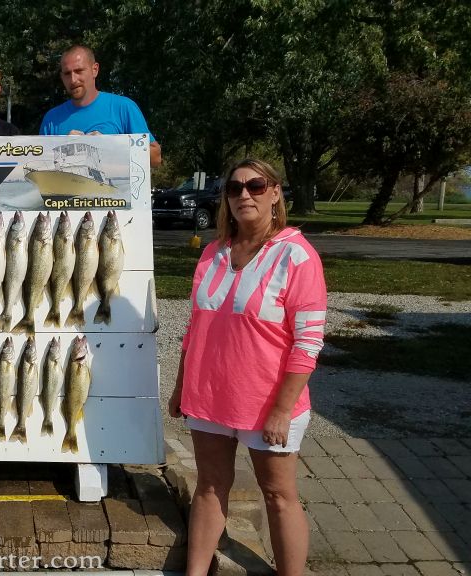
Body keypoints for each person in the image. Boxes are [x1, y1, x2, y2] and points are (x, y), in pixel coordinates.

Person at [169, 158, 326, 576]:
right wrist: (181, 385)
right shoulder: (213, 251)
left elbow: (308, 342)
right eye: (234, 188)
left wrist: (281, 408)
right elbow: (195, 326)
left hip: (266, 402)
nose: (244, 195)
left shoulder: (297, 256)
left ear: (275, 192)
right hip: (209, 396)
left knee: (277, 495)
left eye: (256, 186)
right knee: (209, 486)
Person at [39, 45, 162, 167]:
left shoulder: (123, 107)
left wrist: (110, 146)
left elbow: (156, 158)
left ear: (95, 70)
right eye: (67, 73)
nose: (73, 80)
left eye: (79, 71)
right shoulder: (51, 119)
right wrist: (64, 147)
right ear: (61, 77)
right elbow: (41, 164)